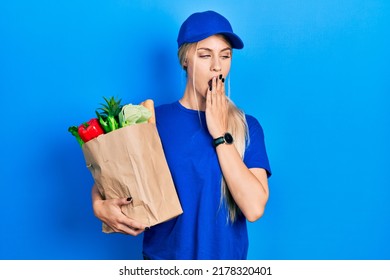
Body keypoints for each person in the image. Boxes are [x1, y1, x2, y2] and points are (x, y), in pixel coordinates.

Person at [91, 10, 272, 260]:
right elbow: (114, 177)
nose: (217, 66)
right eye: (205, 55)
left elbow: (253, 208)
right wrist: (99, 205)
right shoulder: (153, 119)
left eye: (225, 56)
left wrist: (220, 133)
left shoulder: (247, 127)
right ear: (185, 59)